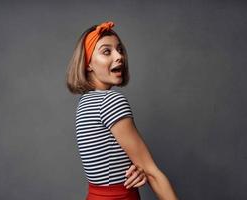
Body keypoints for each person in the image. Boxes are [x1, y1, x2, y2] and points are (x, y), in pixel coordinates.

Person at [66, 21, 178, 200]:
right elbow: (152, 173)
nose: (119, 56)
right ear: (88, 64)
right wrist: (145, 170)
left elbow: (108, 161)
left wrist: (137, 169)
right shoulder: (111, 101)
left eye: (120, 49)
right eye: (106, 51)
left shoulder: (85, 102)